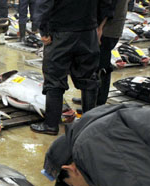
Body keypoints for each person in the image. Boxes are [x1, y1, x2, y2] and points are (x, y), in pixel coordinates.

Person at [30, 0, 113, 135]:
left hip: (60, 33)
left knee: (54, 77)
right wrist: (97, 25)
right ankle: (89, 123)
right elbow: (106, 3)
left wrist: (43, 30)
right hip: (88, 32)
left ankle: (51, 125)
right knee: (89, 77)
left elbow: (44, 4)